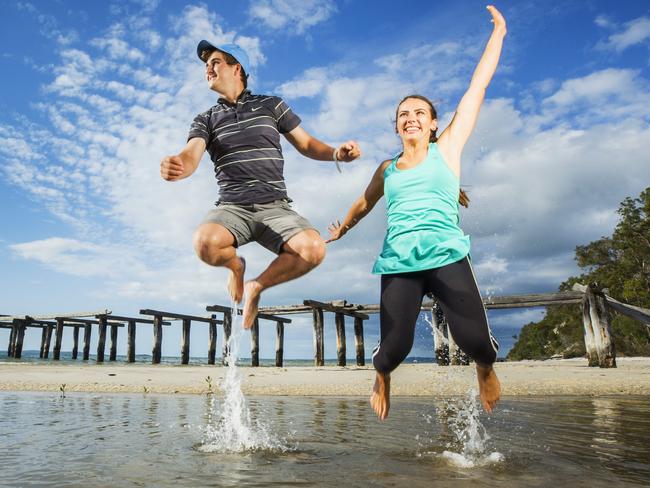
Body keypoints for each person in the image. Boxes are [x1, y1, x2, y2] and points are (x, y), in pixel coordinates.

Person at [326, 5, 506, 419]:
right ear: (396, 127)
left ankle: (484, 369)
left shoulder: (449, 148)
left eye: (418, 113)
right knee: (393, 350)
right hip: (400, 262)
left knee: (476, 340)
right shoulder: (387, 168)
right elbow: (365, 201)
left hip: (447, 256)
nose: (410, 118)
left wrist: (498, 33)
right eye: (403, 115)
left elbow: (478, 87)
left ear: (432, 123)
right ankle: (383, 376)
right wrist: (344, 229)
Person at [160, 42, 361, 329]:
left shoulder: (271, 105)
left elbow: (305, 143)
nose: (208, 68)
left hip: (275, 207)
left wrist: (335, 153)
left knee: (314, 248)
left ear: (236, 68)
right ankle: (235, 266)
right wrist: (178, 164)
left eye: (215, 62)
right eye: (206, 65)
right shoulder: (206, 118)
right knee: (204, 243)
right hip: (232, 208)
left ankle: (256, 286)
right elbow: (191, 154)